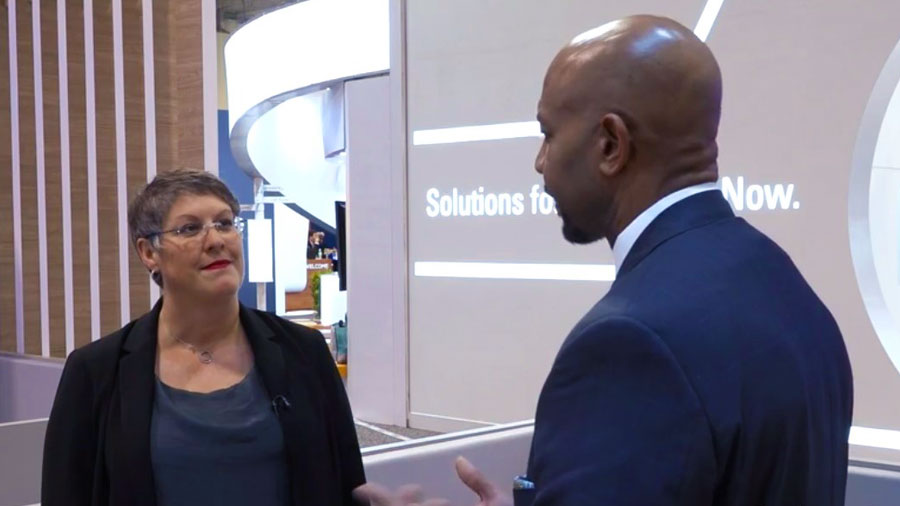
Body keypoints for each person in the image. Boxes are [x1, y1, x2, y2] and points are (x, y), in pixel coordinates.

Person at [356, 14, 853, 506]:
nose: (540, 162)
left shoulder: (629, 347)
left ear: (611, 145)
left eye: (548, 134)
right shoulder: (790, 291)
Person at [42, 169, 365, 506]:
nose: (216, 241)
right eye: (190, 228)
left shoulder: (304, 352)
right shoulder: (96, 372)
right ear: (149, 253)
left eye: (225, 223)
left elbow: (347, 485)